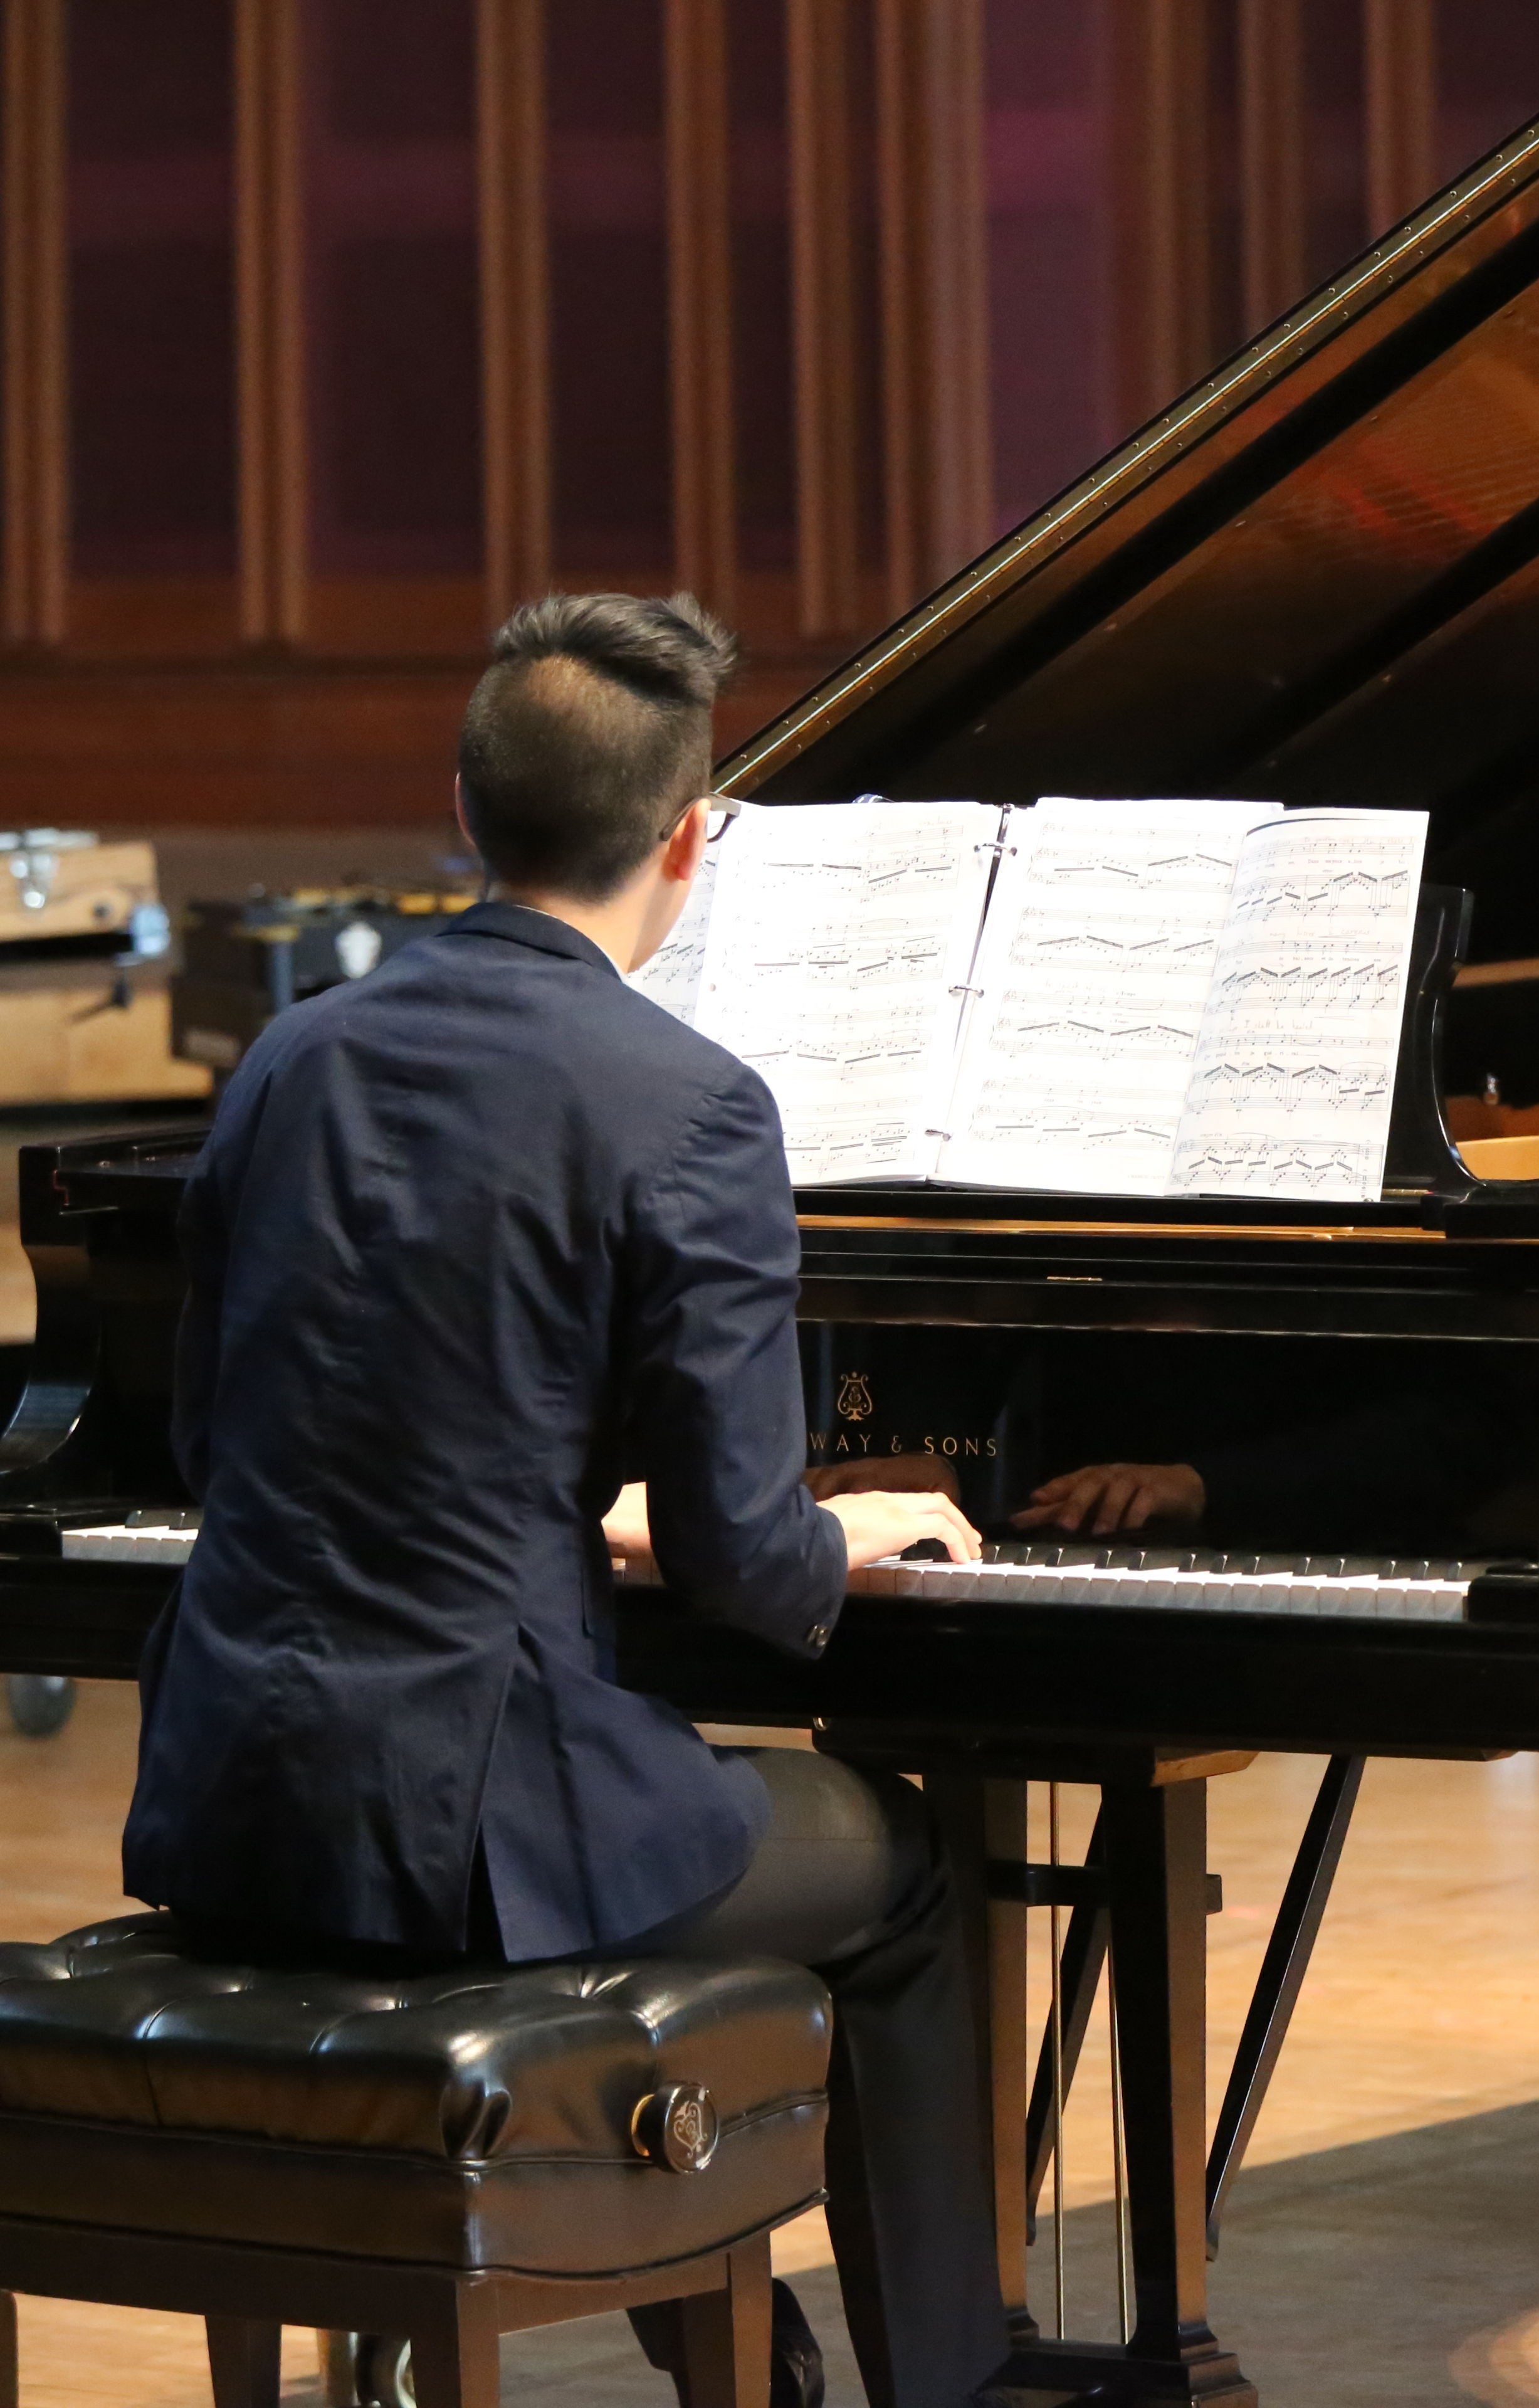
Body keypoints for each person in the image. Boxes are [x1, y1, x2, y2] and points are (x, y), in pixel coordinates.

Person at [123, 593, 1005, 2408]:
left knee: (677, 1831)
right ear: (693, 838)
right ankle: (942, 2386)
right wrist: (846, 1529)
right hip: (464, 1827)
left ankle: (760, 2369)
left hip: (231, 1799)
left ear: (464, 808)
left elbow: (223, 1444)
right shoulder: (689, 1103)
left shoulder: (288, 1061)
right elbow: (752, 1566)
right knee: (908, 1876)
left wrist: (546, 1511)